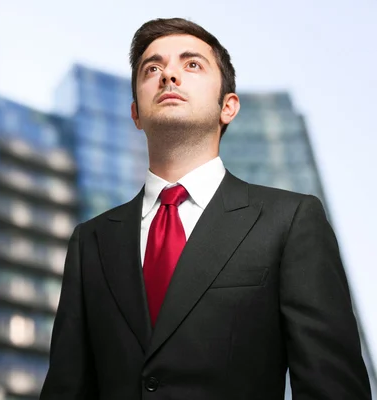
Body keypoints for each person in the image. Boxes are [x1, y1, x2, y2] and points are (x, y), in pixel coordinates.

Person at [39, 17, 372, 400]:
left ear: (228, 107)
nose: (168, 76)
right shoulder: (90, 240)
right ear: (135, 113)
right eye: (153, 68)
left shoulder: (290, 220)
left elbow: (332, 387)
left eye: (191, 64)